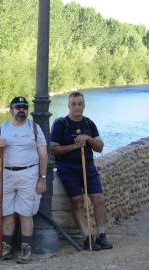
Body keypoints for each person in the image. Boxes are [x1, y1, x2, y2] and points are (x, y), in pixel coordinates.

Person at [50, 91, 113, 250]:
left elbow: (99, 147)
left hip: (88, 167)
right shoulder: (60, 124)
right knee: (77, 202)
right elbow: (53, 150)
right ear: (68, 106)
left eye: (79, 104)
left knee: (99, 200)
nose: (77, 107)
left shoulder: (89, 124)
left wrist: (88, 138)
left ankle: (101, 235)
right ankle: (87, 237)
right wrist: (76, 146)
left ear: (84, 105)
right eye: (73, 104)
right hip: (68, 169)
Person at [0, 96, 47, 264]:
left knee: (26, 213)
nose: (21, 110)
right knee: (6, 212)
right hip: (7, 174)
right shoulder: (3, 129)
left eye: (24, 107)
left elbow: (43, 154)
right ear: (11, 110)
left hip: (29, 174)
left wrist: (42, 178)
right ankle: (6, 249)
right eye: (18, 107)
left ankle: (25, 250)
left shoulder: (35, 129)